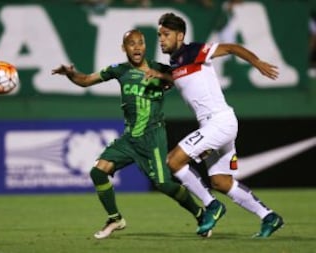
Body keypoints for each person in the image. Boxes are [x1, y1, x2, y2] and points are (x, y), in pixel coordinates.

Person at [52, 29, 210, 239]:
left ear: (145, 46)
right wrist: (71, 74)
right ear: (124, 48)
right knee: (98, 172)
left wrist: (163, 77)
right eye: (131, 44)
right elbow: (86, 80)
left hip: (153, 136)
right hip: (130, 138)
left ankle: (199, 213)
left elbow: (181, 80)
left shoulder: (160, 68)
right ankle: (115, 218)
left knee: (164, 184)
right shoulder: (120, 70)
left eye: (140, 43)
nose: (137, 47)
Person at [155, 12, 284, 238]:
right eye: (159, 35)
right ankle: (269, 217)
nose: (161, 39)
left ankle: (211, 206)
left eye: (166, 34)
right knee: (220, 181)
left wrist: (256, 62)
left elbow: (232, 48)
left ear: (180, 35)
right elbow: (179, 78)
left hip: (219, 123)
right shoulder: (175, 63)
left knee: (173, 161)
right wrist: (161, 78)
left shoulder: (193, 51)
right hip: (216, 125)